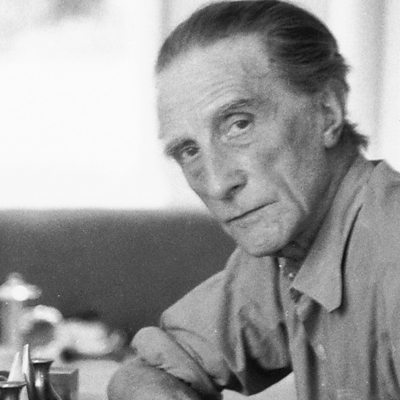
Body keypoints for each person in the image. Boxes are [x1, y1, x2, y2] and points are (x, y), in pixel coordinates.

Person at [107, 1, 400, 399]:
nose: (216, 184)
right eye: (189, 151)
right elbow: (149, 368)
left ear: (327, 112)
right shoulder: (291, 249)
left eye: (238, 124)